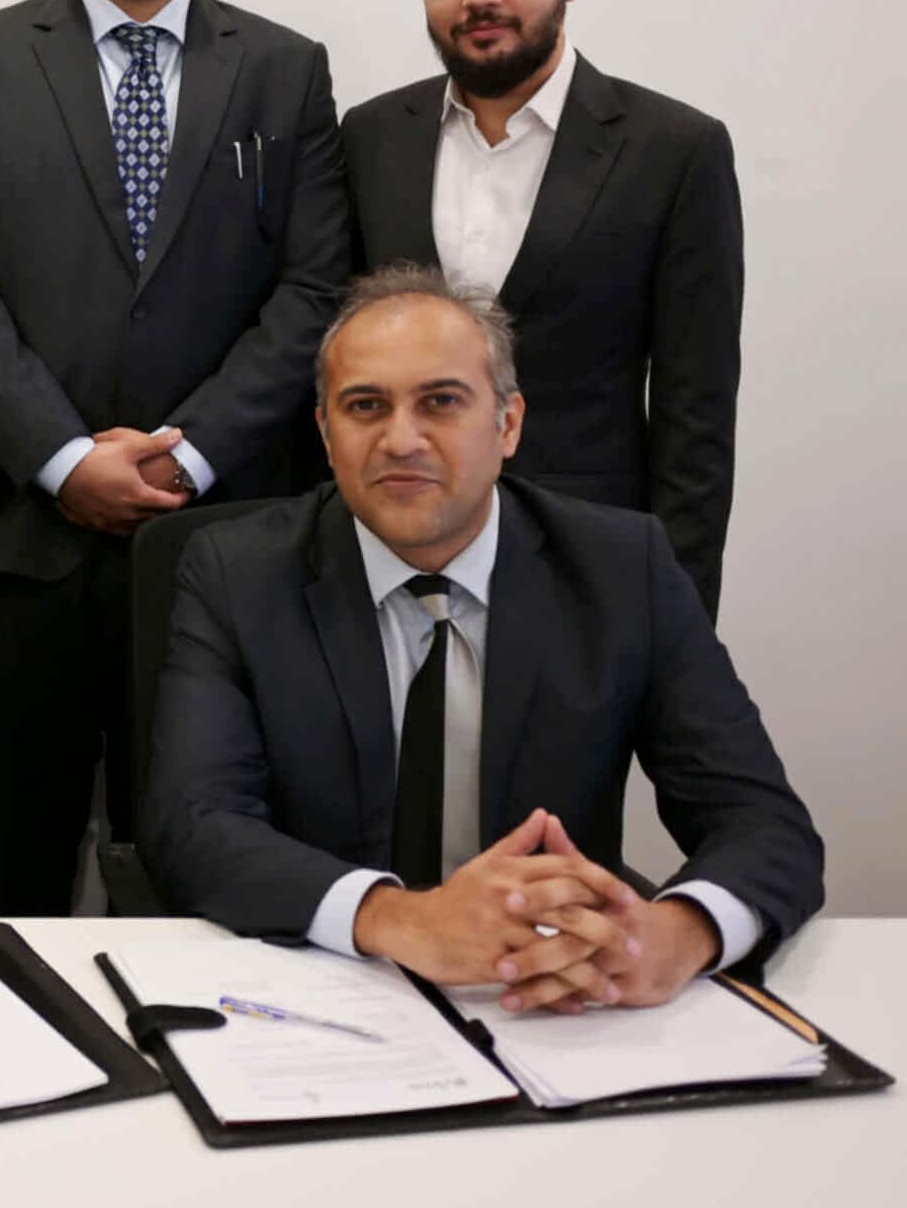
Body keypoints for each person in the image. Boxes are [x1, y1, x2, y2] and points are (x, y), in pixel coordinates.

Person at [144, 264, 822, 1012]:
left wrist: (674, 935)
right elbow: (195, 825)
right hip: (327, 992)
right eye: (365, 405)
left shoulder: (623, 569)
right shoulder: (236, 572)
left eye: (440, 402)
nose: (401, 439)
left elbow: (764, 822)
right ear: (326, 432)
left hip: (554, 998)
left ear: (508, 424)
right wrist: (400, 919)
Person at [0, 0, 350, 916]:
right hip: (15, 539)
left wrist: (186, 454)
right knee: (13, 861)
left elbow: (313, 290)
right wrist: (64, 456)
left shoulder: (285, 69)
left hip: (222, 540)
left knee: (207, 864)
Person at [342, 0, 741, 619]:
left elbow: (696, 426)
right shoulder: (369, 137)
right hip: (388, 568)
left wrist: (677, 635)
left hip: (588, 580)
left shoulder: (675, 151)